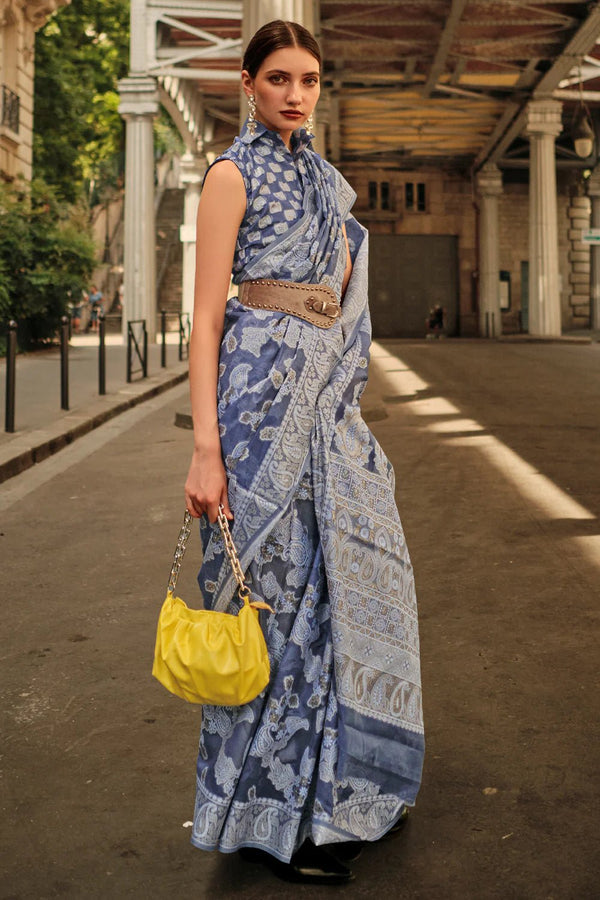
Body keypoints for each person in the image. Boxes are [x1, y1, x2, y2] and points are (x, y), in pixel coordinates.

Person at [183, 20, 424, 886]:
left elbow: (343, 308)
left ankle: (343, 794)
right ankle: (268, 821)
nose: (295, 93)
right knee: (274, 611)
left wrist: (345, 405)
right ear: (246, 84)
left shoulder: (329, 182)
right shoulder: (228, 174)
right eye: (278, 77)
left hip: (330, 414)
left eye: (310, 79)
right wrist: (206, 449)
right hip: (254, 414)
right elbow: (207, 316)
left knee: (344, 599)